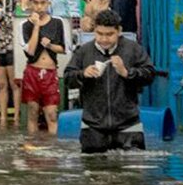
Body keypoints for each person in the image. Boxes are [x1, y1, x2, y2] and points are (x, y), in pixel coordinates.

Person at [64, 9, 156, 153]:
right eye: (100, 34)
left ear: (119, 31)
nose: (104, 39)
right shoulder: (84, 51)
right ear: (94, 31)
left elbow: (150, 75)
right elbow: (68, 78)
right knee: (93, 170)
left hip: (128, 125)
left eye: (109, 34)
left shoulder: (133, 49)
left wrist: (127, 73)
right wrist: (83, 74)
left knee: (132, 171)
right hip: (93, 127)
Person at [21, 0, 67, 134]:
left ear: (48, 3)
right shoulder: (25, 25)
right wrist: (36, 26)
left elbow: (63, 48)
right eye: (35, 3)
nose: (39, 7)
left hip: (50, 72)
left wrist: (50, 45)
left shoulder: (57, 23)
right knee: (32, 112)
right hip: (32, 72)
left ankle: (53, 148)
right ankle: (32, 148)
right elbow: (30, 51)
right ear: (30, 4)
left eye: (42, 3)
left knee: (52, 114)